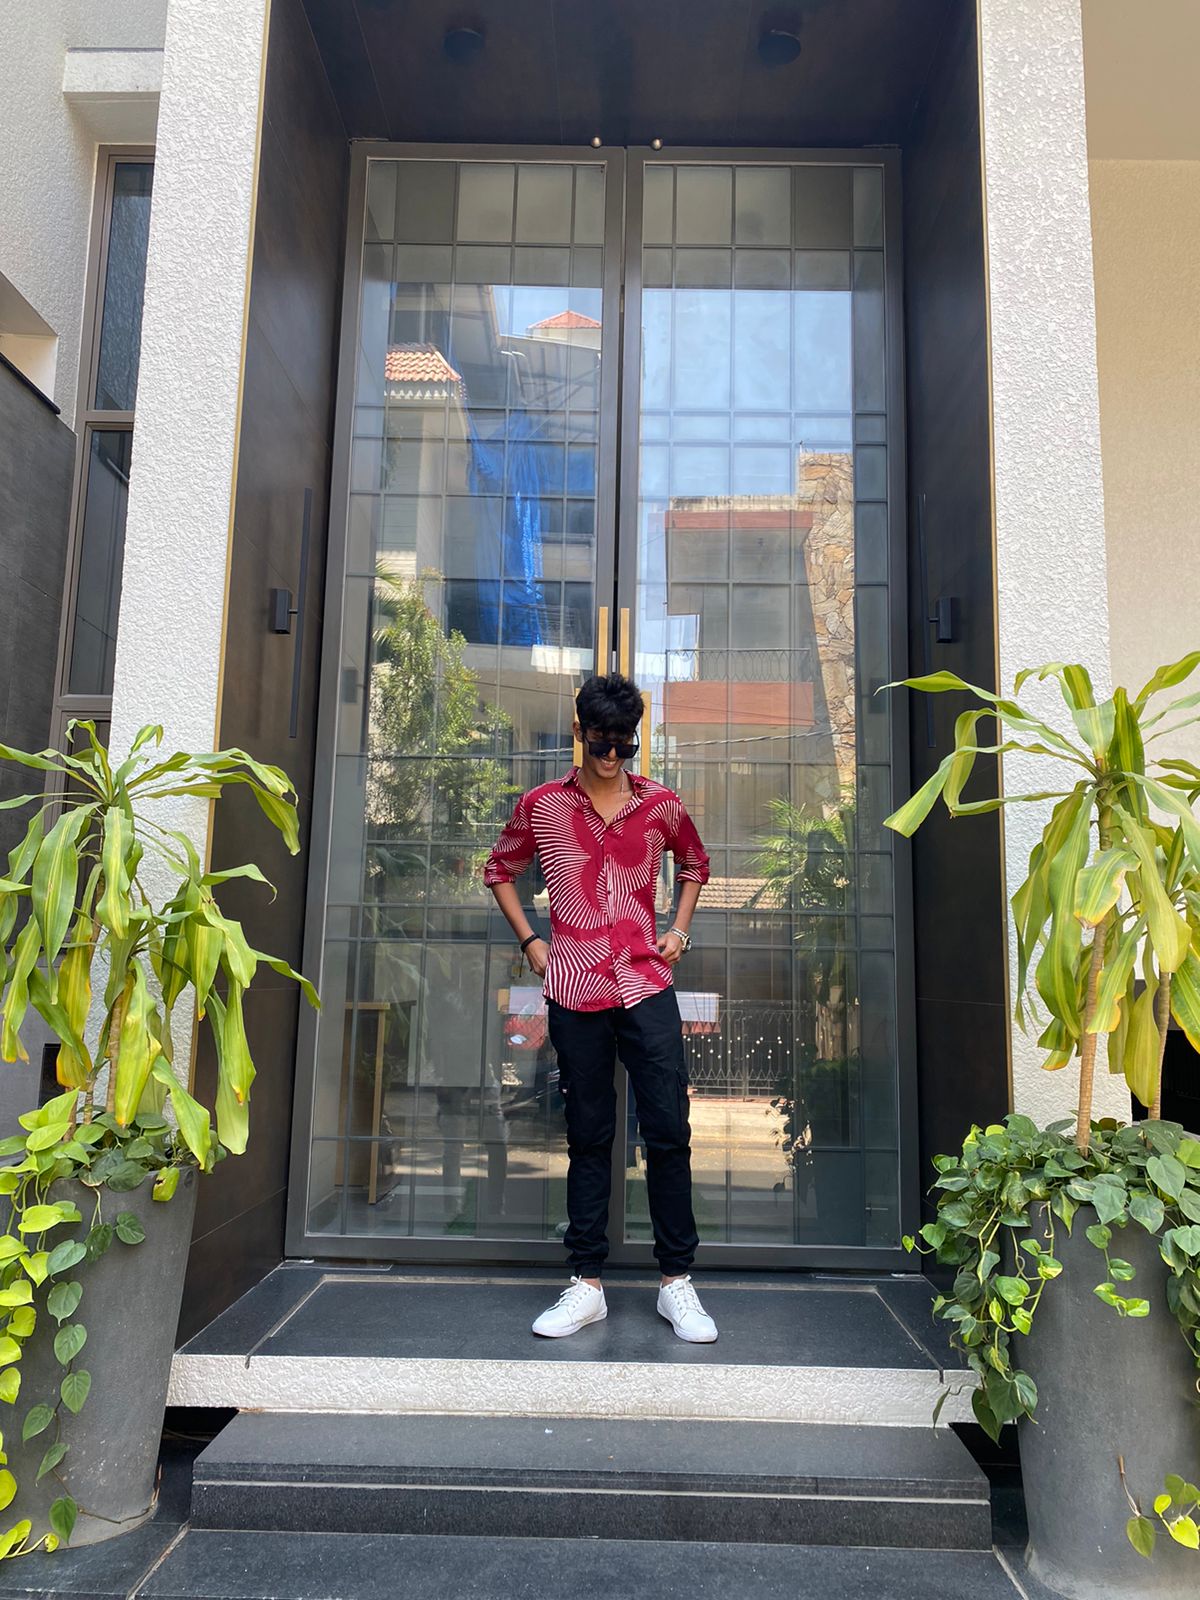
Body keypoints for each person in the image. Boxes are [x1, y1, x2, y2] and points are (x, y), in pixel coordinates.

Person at [484, 672, 718, 1343]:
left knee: (668, 1130)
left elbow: (696, 864)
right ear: (579, 731)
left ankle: (676, 1283)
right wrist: (531, 940)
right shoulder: (542, 806)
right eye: (602, 742)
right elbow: (499, 870)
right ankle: (586, 1283)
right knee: (587, 1135)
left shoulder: (661, 804)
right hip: (575, 989)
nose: (613, 755)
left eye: (625, 743)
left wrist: (679, 931)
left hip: (646, 985)